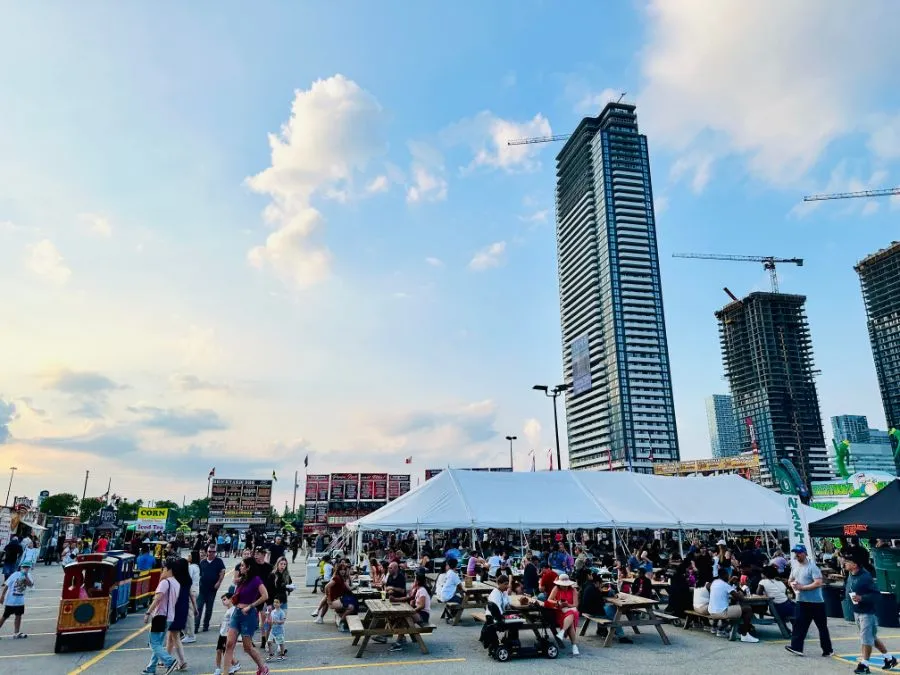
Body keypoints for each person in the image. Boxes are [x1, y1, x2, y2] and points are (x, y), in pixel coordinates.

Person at [845, 554, 896, 673]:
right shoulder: (851, 575)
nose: (844, 563)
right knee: (871, 637)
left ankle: (864, 664)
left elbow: (876, 595)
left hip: (867, 613)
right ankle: (889, 659)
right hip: (857, 612)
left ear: (855, 564)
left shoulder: (865, 577)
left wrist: (861, 598)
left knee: (866, 639)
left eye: (848, 561)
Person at [785, 544, 833, 657]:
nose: (797, 555)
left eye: (799, 552)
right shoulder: (795, 567)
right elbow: (790, 579)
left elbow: (818, 582)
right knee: (799, 624)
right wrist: (792, 584)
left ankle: (827, 649)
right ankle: (796, 647)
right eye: (795, 553)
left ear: (805, 553)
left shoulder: (812, 567)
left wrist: (802, 588)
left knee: (821, 627)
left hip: (816, 602)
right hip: (801, 601)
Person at [223, 558, 269, 675]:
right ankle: (225, 672)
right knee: (229, 644)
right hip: (236, 613)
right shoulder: (242, 580)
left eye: (243, 566)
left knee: (247, 647)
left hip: (248, 615)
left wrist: (250, 606)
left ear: (248, 567)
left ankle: (263, 667)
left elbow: (265, 596)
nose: (240, 567)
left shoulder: (256, 580)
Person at [142, 558, 180, 674]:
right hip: (169, 617)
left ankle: (170, 661)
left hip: (160, 616)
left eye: (163, 568)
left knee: (153, 643)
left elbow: (157, 598)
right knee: (157, 644)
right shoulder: (176, 583)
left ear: (168, 569)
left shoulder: (165, 582)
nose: (162, 571)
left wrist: (148, 612)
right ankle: (151, 668)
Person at [707, 568, 758, 642]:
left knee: (736, 608)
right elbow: (739, 598)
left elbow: (725, 587)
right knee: (748, 609)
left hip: (711, 611)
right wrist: (740, 594)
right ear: (725, 575)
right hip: (721, 612)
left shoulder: (715, 582)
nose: (729, 576)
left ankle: (723, 629)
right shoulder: (725, 585)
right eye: (728, 575)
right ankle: (744, 635)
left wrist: (731, 581)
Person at [579, 572, 632, 644]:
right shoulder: (594, 589)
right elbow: (601, 603)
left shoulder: (588, 586)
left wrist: (601, 592)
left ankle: (602, 630)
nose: (601, 585)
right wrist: (602, 592)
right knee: (615, 612)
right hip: (593, 612)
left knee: (612, 609)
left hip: (587, 610)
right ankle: (621, 636)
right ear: (597, 583)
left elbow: (599, 599)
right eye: (601, 584)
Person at [167, 557, 196, 669]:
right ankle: (167, 659)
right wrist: (195, 607)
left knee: (175, 636)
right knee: (171, 635)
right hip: (183, 608)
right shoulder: (188, 580)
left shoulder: (175, 580)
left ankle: (183, 662)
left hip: (175, 609)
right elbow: (191, 594)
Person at [546, 573, 580, 656]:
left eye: (566, 585)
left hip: (570, 609)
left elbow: (576, 604)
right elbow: (549, 600)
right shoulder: (556, 588)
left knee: (571, 614)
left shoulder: (573, 590)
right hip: (559, 611)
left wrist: (568, 605)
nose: (564, 587)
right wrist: (557, 602)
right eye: (563, 585)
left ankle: (562, 631)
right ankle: (574, 646)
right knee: (571, 621)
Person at [0, 558, 34, 638]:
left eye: (27, 567)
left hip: (20, 601)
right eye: (24, 567)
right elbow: (6, 586)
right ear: (21, 567)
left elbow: (30, 585)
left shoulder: (28, 575)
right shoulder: (15, 574)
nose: (25, 568)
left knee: (18, 616)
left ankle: (16, 632)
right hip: (11, 600)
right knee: (5, 616)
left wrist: (26, 576)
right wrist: (2, 596)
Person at [196, 544, 226, 633]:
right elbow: (198, 574)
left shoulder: (218, 561)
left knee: (209, 608)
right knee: (199, 608)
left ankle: (205, 626)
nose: (211, 553)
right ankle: (195, 626)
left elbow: (222, 571)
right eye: (209, 551)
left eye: (213, 552)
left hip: (212, 590)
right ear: (207, 552)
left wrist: (219, 582)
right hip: (202, 589)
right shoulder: (202, 562)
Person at [213, 593, 241, 675]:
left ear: (230, 599)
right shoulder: (228, 610)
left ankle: (234, 665)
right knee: (219, 651)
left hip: (227, 635)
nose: (223, 602)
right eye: (222, 600)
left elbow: (233, 622)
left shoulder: (233, 610)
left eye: (224, 599)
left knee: (226, 653)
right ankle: (218, 669)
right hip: (222, 633)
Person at [183, 551, 201, 644]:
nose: (188, 557)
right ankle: (188, 634)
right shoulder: (197, 566)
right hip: (196, 589)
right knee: (189, 612)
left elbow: (187, 578)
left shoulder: (191, 567)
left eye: (189, 555)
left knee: (189, 614)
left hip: (191, 590)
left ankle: (190, 635)